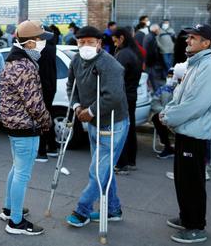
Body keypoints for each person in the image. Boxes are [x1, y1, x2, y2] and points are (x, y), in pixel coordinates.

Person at [159, 24, 211, 244]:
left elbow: (196, 104)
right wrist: (168, 112)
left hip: (195, 134)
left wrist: (169, 117)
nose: (188, 41)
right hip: (185, 131)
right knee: (183, 180)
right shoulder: (196, 64)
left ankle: (196, 226)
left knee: (193, 183)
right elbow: (180, 95)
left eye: (193, 38)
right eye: (188, 38)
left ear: (206, 43)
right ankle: (186, 217)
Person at [65, 26, 129, 228]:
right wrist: (76, 106)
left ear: (99, 43)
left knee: (98, 170)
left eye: (90, 42)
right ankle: (113, 209)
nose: (85, 46)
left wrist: (90, 111)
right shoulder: (76, 60)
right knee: (104, 169)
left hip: (112, 123)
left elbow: (113, 96)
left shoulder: (110, 65)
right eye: (81, 42)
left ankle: (82, 210)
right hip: (92, 122)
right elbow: (70, 85)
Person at [0, 20, 52, 235]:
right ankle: (16, 222)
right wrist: (47, 121)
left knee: (16, 168)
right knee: (22, 173)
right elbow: (35, 104)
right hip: (24, 126)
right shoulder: (26, 66)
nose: (43, 43)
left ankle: (10, 209)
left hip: (14, 124)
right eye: (40, 40)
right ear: (30, 44)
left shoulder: (13, 61)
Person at [113, 27, 143, 174]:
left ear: (122, 38)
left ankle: (121, 164)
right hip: (132, 95)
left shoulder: (123, 54)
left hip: (123, 96)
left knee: (120, 130)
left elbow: (115, 76)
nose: (114, 44)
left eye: (115, 41)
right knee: (130, 129)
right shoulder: (135, 52)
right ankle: (131, 161)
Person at [150, 63, 187, 159]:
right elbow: (154, 103)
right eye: (169, 76)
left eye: (172, 76)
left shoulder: (184, 90)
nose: (170, 78)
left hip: (178, 116)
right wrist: (163, 112)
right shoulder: (162, 89)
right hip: (164, 115)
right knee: (155, 118)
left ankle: (182, 149)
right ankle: (167, 147)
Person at [36, 28, 59, 161]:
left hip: (43, 87)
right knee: (47, 116)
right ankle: (52, 147)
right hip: (50, 86)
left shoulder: (43, 50)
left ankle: (41, 152)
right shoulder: (52, 48)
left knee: (41, 119)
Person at [144, 24, 163, 90]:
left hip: (149, 61)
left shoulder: (150, 36)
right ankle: (156, 90)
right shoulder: (150, 37)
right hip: (149, 61)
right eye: (158, 29)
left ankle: (155, 89)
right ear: (155, 30)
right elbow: (148, 50)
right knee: (152, 76)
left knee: (151, 76)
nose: (159, 31)